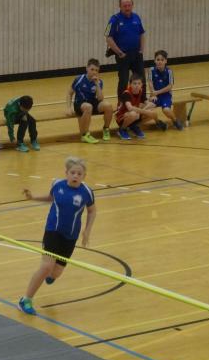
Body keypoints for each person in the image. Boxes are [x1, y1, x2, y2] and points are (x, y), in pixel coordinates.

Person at [18, 156, 96, 316]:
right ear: (66, 173)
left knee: (56, 273)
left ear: (84, 176)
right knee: (46, 266)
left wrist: (87, 231)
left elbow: (92, 211)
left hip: (71, 236)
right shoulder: (57, 185)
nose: (75, 176)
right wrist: (33, 197)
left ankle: (51, 275)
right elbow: (50, 198)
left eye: (79, 174)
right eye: (72, 173)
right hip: (53, 230)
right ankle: (25, 300)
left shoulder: (87, 192)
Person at [105, 0, 146, 99]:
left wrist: (141, 50)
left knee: (141, 79)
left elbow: (142, 33)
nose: (127, 8)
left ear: (132, 5)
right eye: (124, 6)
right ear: (120, 6)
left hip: (137, 54)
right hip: (123, 56)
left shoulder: (136, 17)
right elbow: (108, 37)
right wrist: (119, 53)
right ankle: (122, 103)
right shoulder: (114, 19)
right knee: (123, 81)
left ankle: (142, 100)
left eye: (129, 5)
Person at [66, 58, 114, 143]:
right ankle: (85, 135)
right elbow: (69, 94)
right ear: (87, 68)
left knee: (108, 106)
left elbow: (100, 99)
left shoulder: (99, 81)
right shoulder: (79, 79)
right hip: (80, 103)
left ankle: (106, 129)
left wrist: (97, 84)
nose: (94, 72)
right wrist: (68, 108)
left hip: (92, 102)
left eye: (96, 70)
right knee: (88, 107)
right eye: (92, 69)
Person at [147, 50, 182, 130]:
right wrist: (153, 94)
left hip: (166, 95)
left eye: (162, 60)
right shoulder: (151, 70)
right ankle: (158, 122)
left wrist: (157, 92)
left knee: (166, 110)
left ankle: (175, 121)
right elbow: (150, 83)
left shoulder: (169, 71)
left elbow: (170, 86)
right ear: (154, 60)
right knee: (147, 108)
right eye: (158, 59)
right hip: (155, 95)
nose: (160, 62)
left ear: (166, 61)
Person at [115, 75, 156, 140]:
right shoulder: (126, 93)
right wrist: (144, 111)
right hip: (121, 117)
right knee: (134, 114)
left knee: (151, 113)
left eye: (139, 83)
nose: (137, 85)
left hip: (134, 114)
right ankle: (122, 129)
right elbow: (130, 108)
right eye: (134, 83)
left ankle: (133, 126)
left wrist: (151, 101)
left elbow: (150, 104)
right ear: (130, 84)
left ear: (142, 84)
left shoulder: (140, 91)